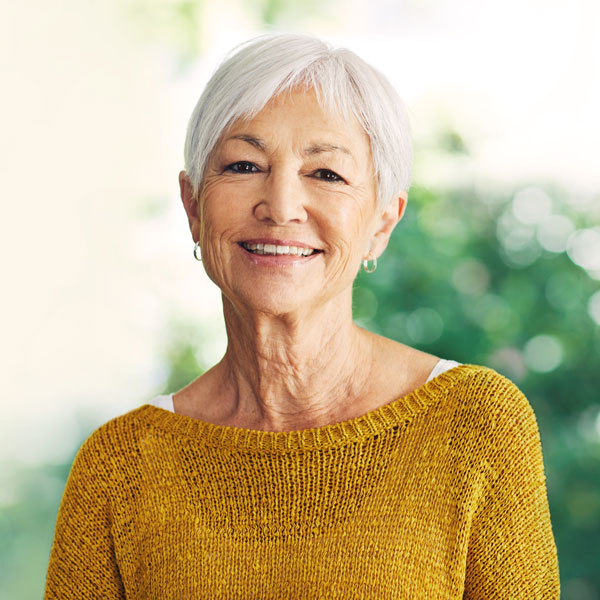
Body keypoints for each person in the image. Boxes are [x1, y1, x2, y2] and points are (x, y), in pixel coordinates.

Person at [45, 33, 559, 599]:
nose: (281, 207)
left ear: (383, 221)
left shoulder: (476, 425)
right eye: (244, 164)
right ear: (193, 207)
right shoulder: (119, 467)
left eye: (326, 174)